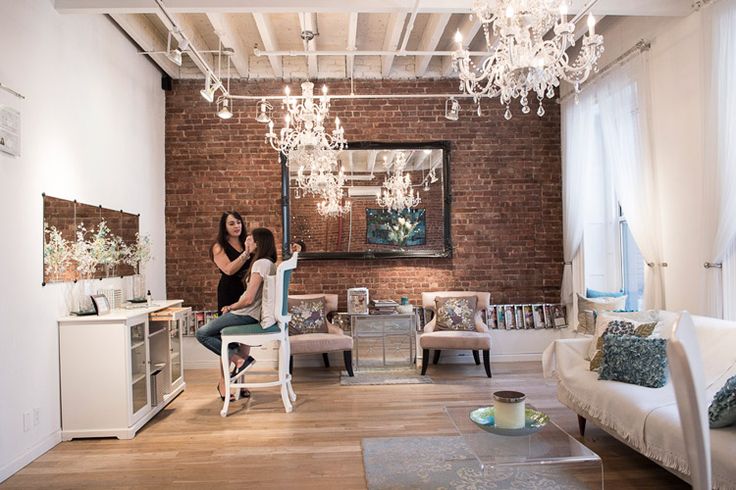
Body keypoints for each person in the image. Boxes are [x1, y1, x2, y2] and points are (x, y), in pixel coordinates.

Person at [196, 227, 278, 401]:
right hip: (248, 311)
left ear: (258, 243)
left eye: (251, 239)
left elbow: (248, 299)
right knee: (219, 335)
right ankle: (233, 370)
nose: (247, 241)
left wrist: (231, 307)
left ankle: (239, 361)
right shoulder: (269, 263)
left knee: (202, 333)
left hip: (245, 313)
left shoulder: (260, 264)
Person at [210, 211, 252, 312]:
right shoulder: (219, 246)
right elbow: (228, 270)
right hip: (230, 290)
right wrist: (245, 254)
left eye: (239, 222)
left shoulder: (248, 242)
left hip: (249, 289)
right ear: (224, 227)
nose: (236, 226)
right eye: (231, 224)